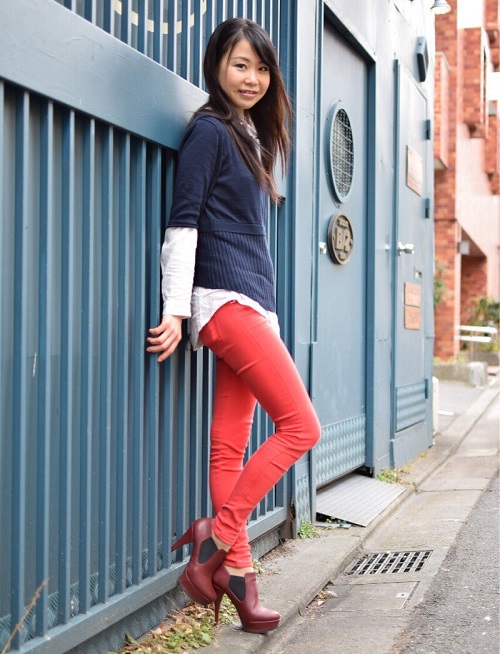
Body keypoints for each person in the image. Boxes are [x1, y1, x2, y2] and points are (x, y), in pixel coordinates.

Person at [146, 17, 321, 634]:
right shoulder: (210, 131)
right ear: (216, 65)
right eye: (240, 65)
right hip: (226, 304)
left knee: (228, 449)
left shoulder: (249, 135)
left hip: (249, 304)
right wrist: (176, 309)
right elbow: (184, 222)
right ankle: (216, 541)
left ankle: (241, 580)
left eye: (261, 68)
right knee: (302, 427)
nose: (252, 78)